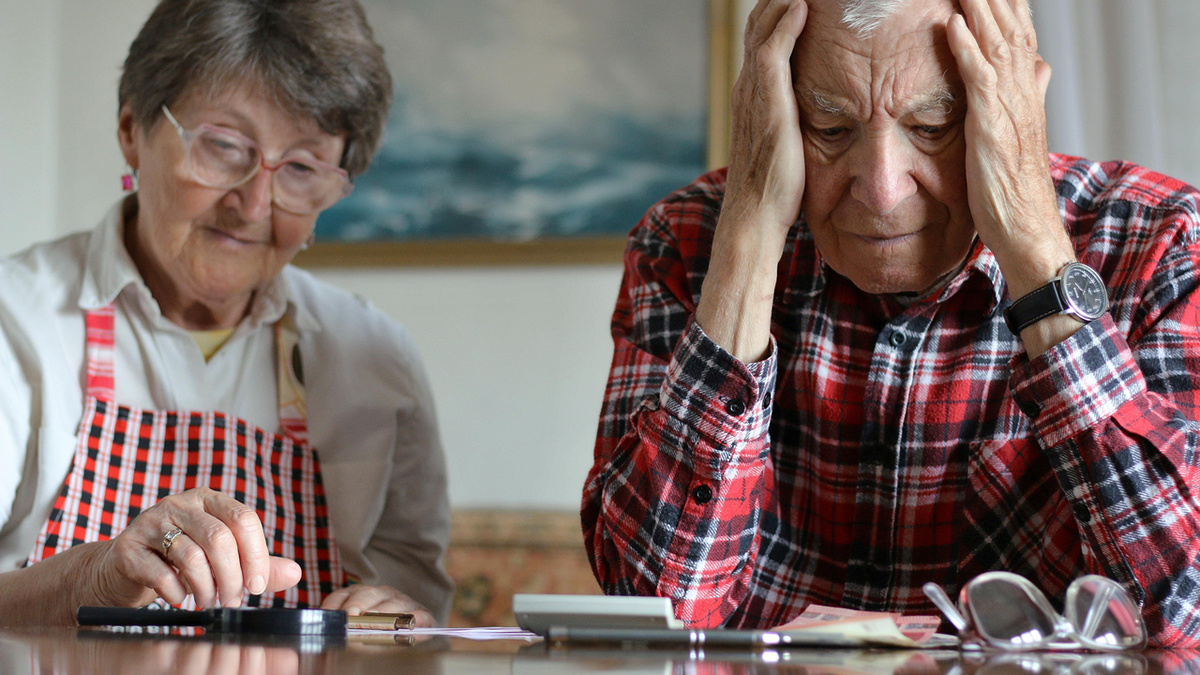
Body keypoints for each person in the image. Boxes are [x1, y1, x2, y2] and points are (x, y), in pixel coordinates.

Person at [582, 0, 1200, 648]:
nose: (882, 189)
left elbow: (1180, 614)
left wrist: (1031, 243)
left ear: (1015, 104)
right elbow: (654, 606)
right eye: (830, 127)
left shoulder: (1164, 247)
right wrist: (748, 241)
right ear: (772, 111)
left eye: (932, 127)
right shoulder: (684, 243)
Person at [0, 0, 453, 627]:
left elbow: (419, 599)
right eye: (222, 146)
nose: (254, 204)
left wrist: (398, 621)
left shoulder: (375, 358)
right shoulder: (16, 320)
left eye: (301, 168)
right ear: (132, 131)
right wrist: (92, 577)